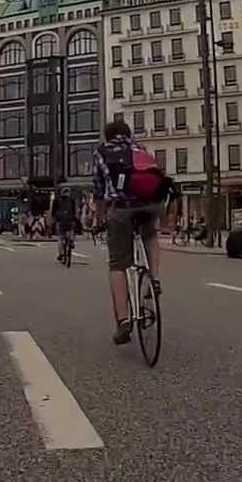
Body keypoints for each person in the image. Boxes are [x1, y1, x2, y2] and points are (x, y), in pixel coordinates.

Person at [92, 119, 175, 345]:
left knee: (118, 264)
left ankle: (123, 321)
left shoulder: (101, 152)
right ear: (128, 133)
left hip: (121, 209)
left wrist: (100, 218)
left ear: (107, 136)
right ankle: (155, 278)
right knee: (150, 235)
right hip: (151, 205)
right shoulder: (141, 148)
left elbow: (99, 190)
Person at [53, 188, 78, 263]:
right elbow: (75, 212)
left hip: (60, 222)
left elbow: (53, 213)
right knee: (71, 231)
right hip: (70, 221)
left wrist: (54, 221)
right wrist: (75, 219)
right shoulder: (72, 201)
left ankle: (61, 254)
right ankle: (71, 241)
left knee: (60, 237)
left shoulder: (56, 201)